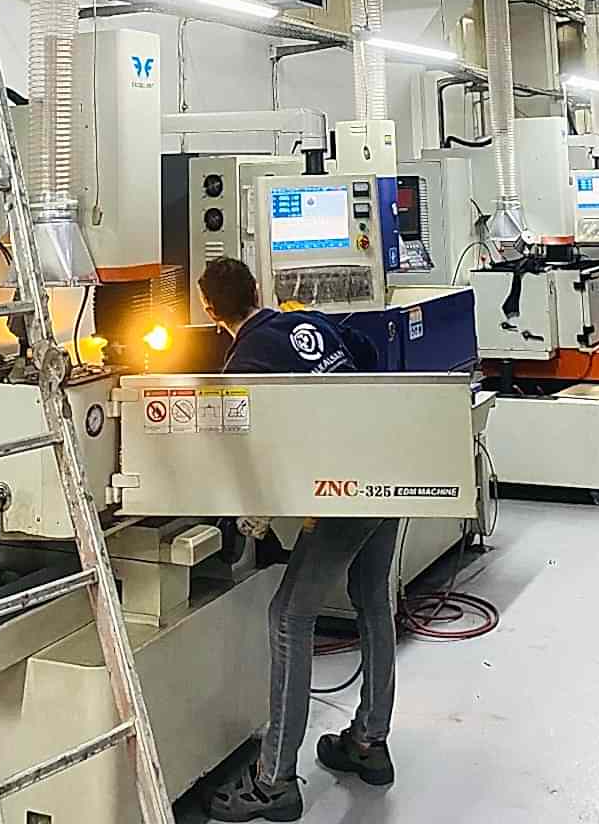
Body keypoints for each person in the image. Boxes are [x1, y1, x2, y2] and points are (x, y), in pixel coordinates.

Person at [198, 257, 398, 823]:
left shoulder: (244, 362)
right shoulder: (302, 318)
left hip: (347, 486)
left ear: (210, 311)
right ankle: (368, 742)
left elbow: (247, 445)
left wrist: (252, 509)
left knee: (289, 615)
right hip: (390, 460)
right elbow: (367, 352)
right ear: (257, 291)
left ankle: (274, 781)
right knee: (372, 600)